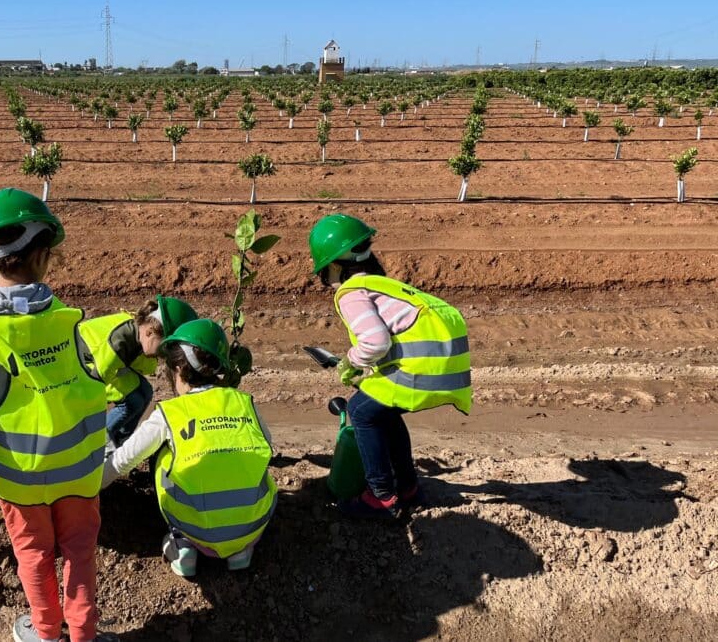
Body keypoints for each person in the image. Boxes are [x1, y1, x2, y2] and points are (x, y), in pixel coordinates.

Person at [0, 188, 118, 642]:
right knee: (80, 552)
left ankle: (47, 633)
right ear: (43, 253)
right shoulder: (66, 318)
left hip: (19, 478)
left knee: (32, 552)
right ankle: (84, 634)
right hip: (78, 471)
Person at [308, 214, 472, 519]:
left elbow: (375, 342)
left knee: (359, 411)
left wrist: (350, 362)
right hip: (448, 369)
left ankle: (381, 498)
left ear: (332, 266)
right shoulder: (384, 285)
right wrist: (369, 370)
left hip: (425, 370)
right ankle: (409, 489)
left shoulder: (351, 292)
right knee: (383, 412)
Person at [102, 319, 277, 578]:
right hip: (253, 525)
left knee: (163, 455)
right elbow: (268, 444)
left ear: (178, 369)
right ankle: (239, 552)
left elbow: (123, 461)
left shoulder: (171, 413)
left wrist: (82, 487)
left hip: (197, 529)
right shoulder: (244, 402)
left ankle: (182, 545)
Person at [79, 296, 198, 448]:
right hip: (86, 364)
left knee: (146, 391)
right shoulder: (121, 339)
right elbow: (96, 381)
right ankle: (99, 442)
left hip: (107, 365)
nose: (163, 355)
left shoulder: (141, 336)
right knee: (132, 401)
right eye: (164, 348)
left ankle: (121, 444)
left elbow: (145, 367)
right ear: (150, 332)